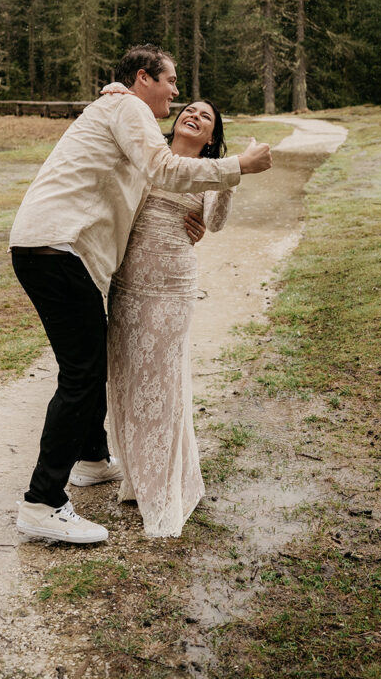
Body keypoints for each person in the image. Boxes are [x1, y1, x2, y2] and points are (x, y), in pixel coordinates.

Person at [9, 45, 272, 544]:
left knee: (92, 362)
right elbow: (164, 170)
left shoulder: (119, 106)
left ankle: (90, 459)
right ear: (143, 78)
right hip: (59, 247)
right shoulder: (128, 107)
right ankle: (43, 501)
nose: (178, 94)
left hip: (56, 247)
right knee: (83, 374)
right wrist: (239, 166)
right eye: (171, 82)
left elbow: (165, 191)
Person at [107, 98, 235, 537]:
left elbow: (215, 222)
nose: (194, 115)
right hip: (127, 282)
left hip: (171, 287)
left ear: (212, 138)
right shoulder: (150, 157)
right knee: (125, 378)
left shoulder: (210, 174)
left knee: (162, 383)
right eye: (190, 109)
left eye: (206, 117)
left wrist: (230, 177)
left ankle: (163, 490)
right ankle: (137, 476)